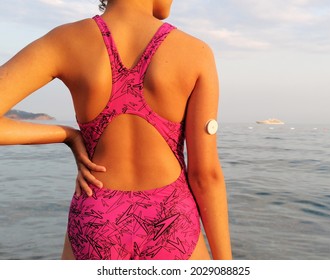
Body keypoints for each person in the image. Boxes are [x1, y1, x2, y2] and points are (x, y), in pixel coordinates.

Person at [0, 0, 232, 260]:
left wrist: (67, 134)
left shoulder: (65, 41)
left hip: (96, 221)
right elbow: (205, 176)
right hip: (172, 220)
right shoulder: (195, 52)